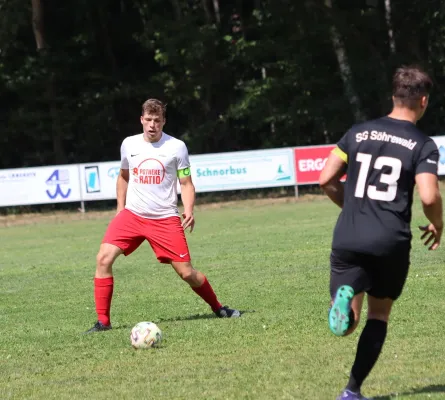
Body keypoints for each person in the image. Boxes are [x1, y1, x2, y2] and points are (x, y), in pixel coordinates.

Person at [319, 65, 443, 400]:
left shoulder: (358, 133)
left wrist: (353, 208)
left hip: (348, 235)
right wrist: (438, 222)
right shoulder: (422, 144)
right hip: (390, 239)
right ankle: (351, 390)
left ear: (393, 96)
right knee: (379, 314)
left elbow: (325, 178)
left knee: (349, 322)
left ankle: (344, 298)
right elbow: (430, 196)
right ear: (423, 100)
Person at [85, 98, 240, 333]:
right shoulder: (129, 145)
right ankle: (103, 322)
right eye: (148, 120)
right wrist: (120, 208)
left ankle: (218, 307)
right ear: (141, 120)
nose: (152, 125)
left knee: (186, 272)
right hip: (133, 215)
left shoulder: (176, 147)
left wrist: (188, 209)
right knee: (103, 259)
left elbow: (186, 183)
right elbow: (124, 176)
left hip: (165, 218)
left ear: (164, 122)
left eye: (157, 121)